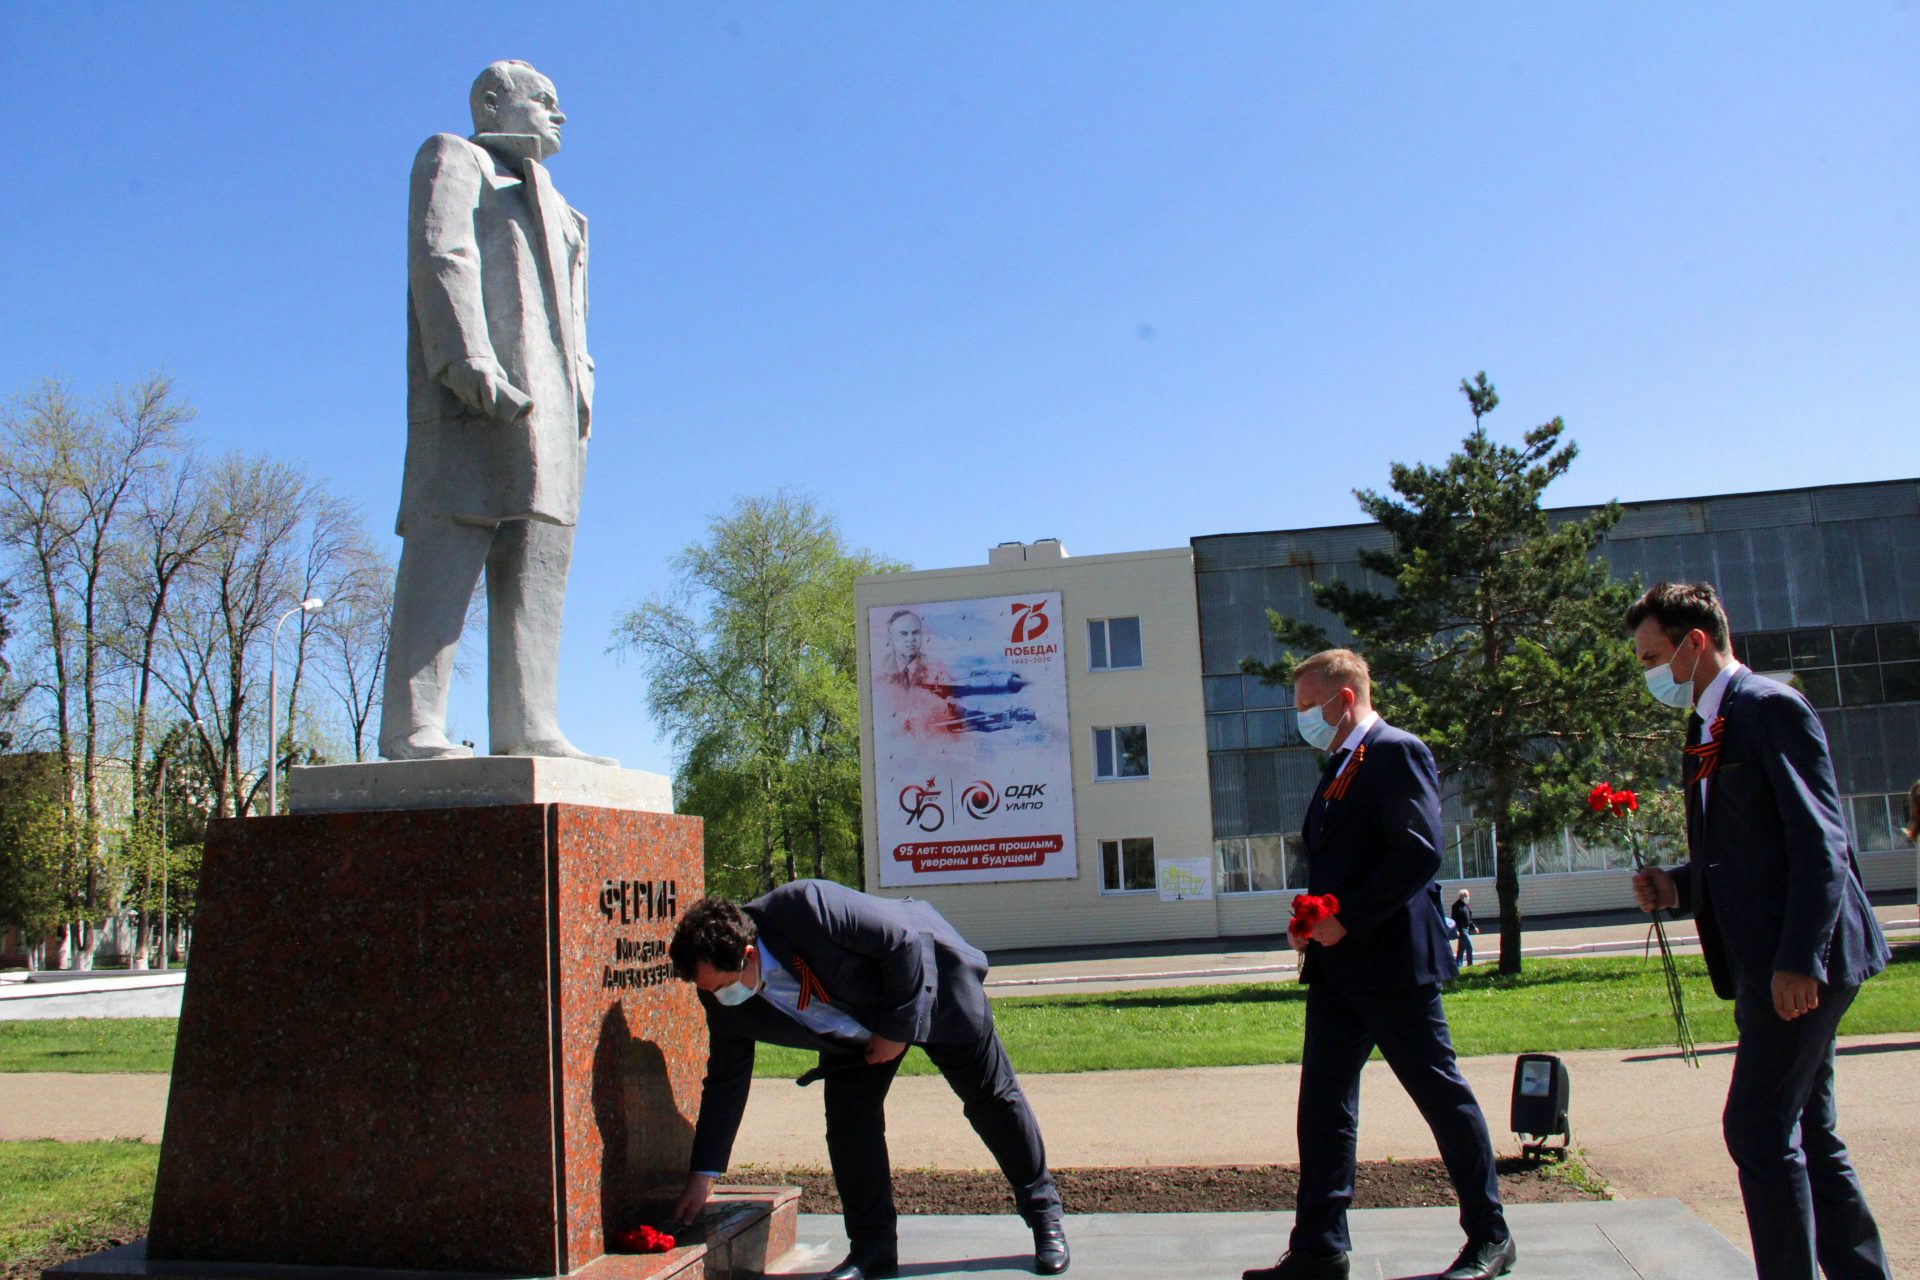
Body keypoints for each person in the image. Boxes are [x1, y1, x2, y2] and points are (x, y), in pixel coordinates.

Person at [1625, 581, 1891, 1280]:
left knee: (1755, 1127)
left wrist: (1800, 960)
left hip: (1801, 961)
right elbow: (1741, 845)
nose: (1650, 672)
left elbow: (1820, 843)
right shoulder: (1705, 727)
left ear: (1697, 642)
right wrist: (1678, 884)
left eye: (1655, 655)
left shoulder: (1769, 709)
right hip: (1760, 961)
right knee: (1808, 1129)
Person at [1241, 649, 1514, 1280]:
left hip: (1393, 964)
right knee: (1324, 1106)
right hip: (1338, 968)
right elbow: (1343, 860)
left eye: (1308, 705)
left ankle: (1492, 1236)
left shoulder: (1395, 750)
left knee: (1440, 1096)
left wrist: (1348, 917)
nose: (1302, 717)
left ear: (1344, 699)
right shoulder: (1339, 765)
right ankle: (1320, 1249)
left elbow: (1418, 852)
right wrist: (1311, 922)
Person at [379, 61, 611, 764]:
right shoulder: (457, 157)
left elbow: (574, 317)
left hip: (555, 415)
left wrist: (583, 393)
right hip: (474, 401)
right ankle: (413, 727)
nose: (557, 113)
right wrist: (465, 359)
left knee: (538, 564)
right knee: (448, 545)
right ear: (492, 101)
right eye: (543, 100)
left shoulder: (568, 213)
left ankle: (529, 724)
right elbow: (441, 255)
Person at [667, 880, 1068, 1280]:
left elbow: (904, 944)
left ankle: (1044, 1214)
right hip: (850, 1035)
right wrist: (703, 1175)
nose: (718, 997)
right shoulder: (718, 993)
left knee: (993, 1102)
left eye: (721, 986)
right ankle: (873, 1250)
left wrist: (896, 1031)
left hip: (931, 984)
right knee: (849, 1126)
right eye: (708, 990)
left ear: (748, 955)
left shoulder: (806, 907)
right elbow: (726, 1082)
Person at [1449, 890, 1477, 967]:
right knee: (1469, 947)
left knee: (1461, 949)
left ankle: (1458, 965)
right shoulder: (1456, 906)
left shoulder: (1466, 905)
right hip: (1462, 930)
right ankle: (1470, 964)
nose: (1468, 897)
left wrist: (1473, 927)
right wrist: (1456, 930)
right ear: (1462, 896)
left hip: (1466, 929)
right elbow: (1454, 919)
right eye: (1466, 896)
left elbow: (1468, 918)